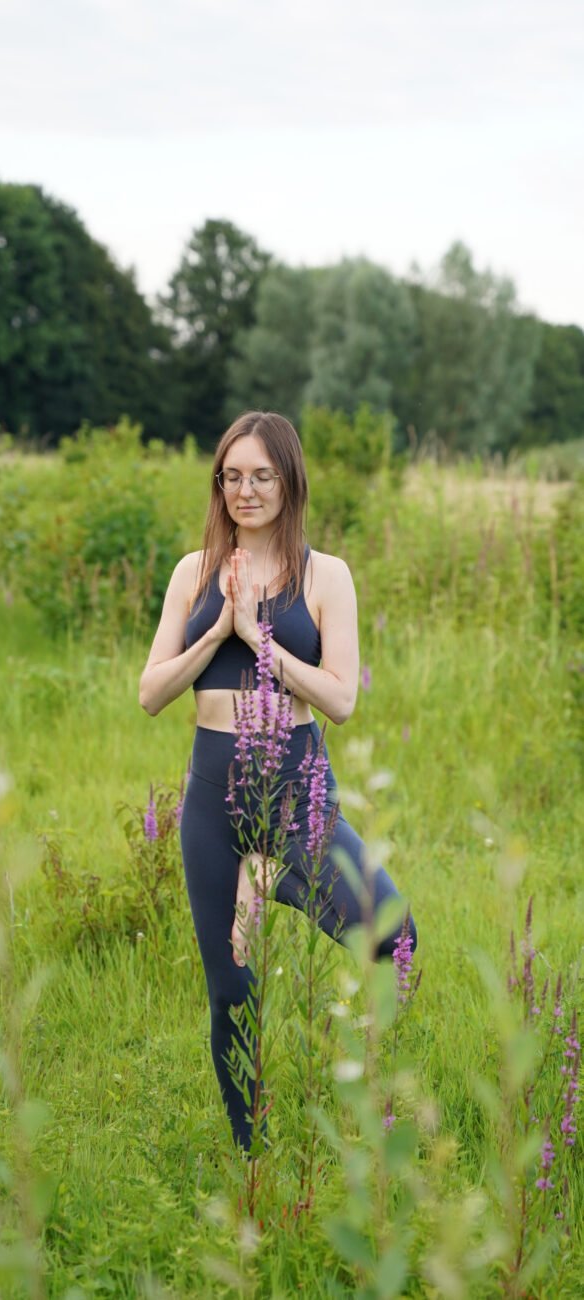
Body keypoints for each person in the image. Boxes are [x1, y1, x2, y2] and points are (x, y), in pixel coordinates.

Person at [139, 411, 417, 1154]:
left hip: (297, 785)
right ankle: (249, 1154)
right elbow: (151, 691)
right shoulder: (192, 572)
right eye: (232, 476)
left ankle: (272, 872)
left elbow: (341, 699)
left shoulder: (326, 575)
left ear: (289, 479)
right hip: (212, 792)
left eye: (261, 474)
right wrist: (217, 630)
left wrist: (261, 640)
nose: (245, 490)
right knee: (229, 987)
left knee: (392, 935)